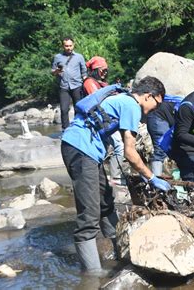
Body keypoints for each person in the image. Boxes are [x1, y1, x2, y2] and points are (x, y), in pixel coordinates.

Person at [61, 76, 171, 274]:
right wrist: (152, 177)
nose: (156, 109)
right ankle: (93, 275)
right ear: (148, 96)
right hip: (80, 148)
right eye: (156, 103)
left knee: (105, 201)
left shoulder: (123, 99)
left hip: (86, 150)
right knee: (89, 212)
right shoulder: (132, 106)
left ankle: (118, 251)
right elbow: (130, 153)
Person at [83, 56, 125, 186]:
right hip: (98, 121)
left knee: (105, 148)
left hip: (105, 119)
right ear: (95, 70)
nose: (105, 73)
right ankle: (115, 178)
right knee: (119, 145)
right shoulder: (89, 82)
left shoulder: (101, 83)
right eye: (102, 70)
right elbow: (98, 100)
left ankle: (103, 178)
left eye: (106, 70)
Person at [51, 37, 87, 131]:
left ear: (73, 45)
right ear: (63, 46)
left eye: (70, 45)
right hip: (64, 86)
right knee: (64, 109)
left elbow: (84, 72)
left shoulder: (79, 57)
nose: (68, 48)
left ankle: (78, 129)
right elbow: (53, 72)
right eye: (66, 46)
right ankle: (65, 130)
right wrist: (57, 71)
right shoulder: (57, 57)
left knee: (78, 108)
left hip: (77, 85)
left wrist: (85, 82)